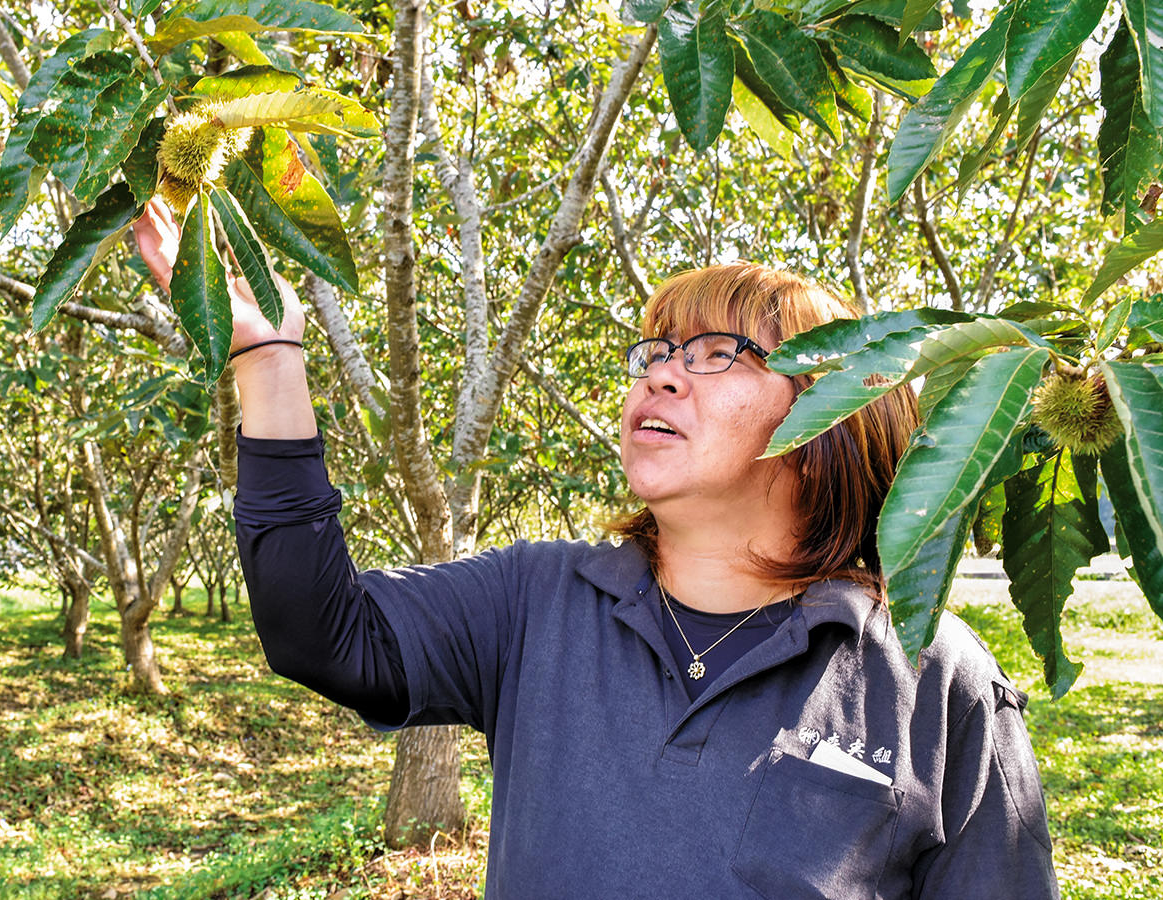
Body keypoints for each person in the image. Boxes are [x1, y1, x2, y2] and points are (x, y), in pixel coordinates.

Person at [135, 199, 1059, 898]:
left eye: (717, 352)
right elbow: (319, 633)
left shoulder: (935, 683)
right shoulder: (537, 602)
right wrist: (268, 361)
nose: (660, 370)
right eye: (656, 349)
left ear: (829, 417)